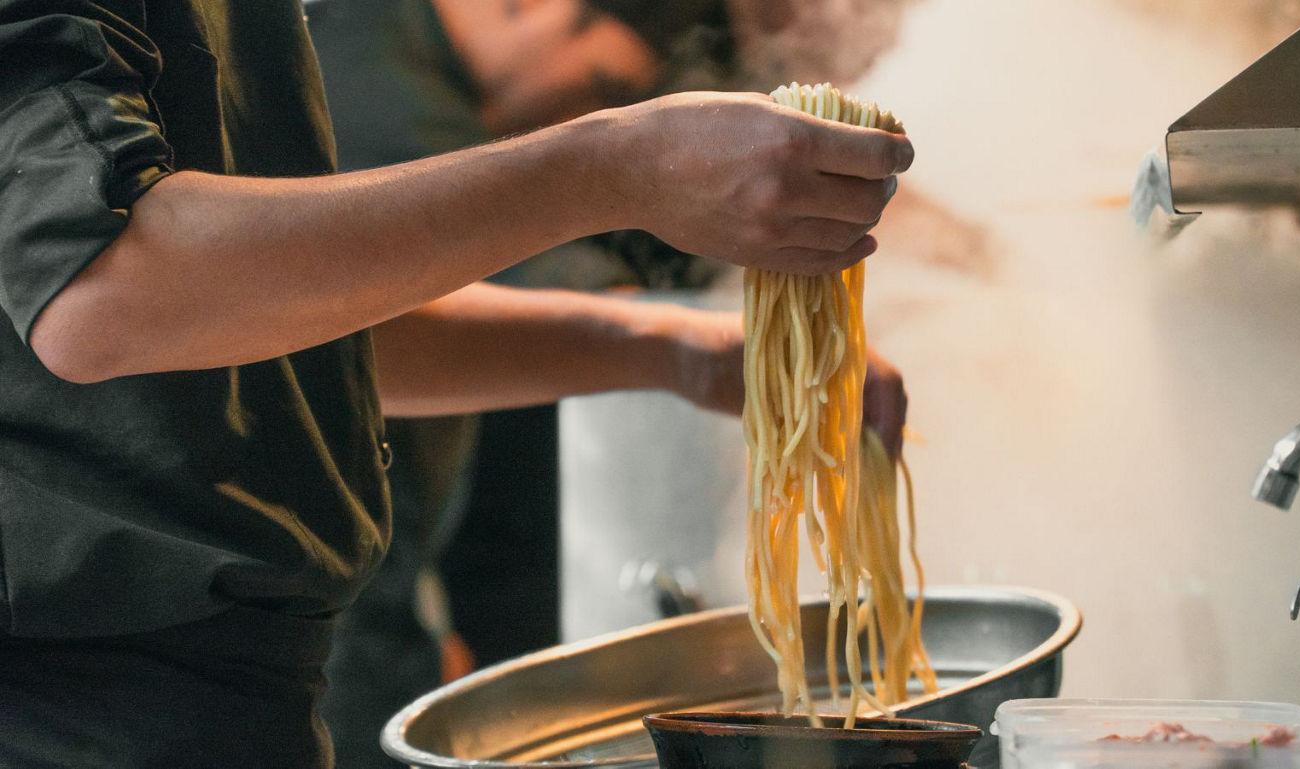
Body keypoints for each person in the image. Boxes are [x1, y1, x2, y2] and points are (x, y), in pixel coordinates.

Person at [0, 1, 912, 765]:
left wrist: (673, 348)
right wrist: (617, 165)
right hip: (72, 705)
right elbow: (106, 285)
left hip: (222, 689)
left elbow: (266, 318)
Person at [305, 2, 741, 764]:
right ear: (539, 9)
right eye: (603, 84)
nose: (586, 112)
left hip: (380, 550)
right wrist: (687, 340)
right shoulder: (367, 56)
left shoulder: (458, 86)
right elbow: (499, 257)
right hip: (319, 581)